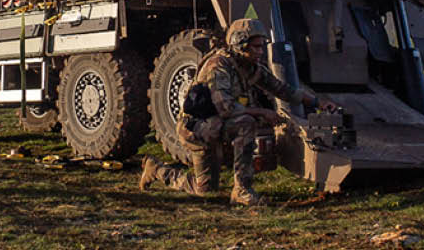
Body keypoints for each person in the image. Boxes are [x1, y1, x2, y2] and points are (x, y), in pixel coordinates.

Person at [140, 17, 336, 205]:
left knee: (205, 189)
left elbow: (282, 89)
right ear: (240, 44)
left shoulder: (250, 67)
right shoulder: (218, 66)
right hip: (197, 130)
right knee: (246, 124)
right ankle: (242, 190)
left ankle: (156, 170)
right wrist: (262, 112)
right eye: (256, 47)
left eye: (262, 46)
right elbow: (226, 108)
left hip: (215, 125)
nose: (261, 51)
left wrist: (317, 103)